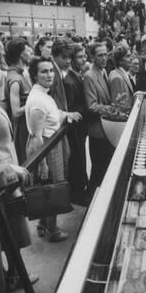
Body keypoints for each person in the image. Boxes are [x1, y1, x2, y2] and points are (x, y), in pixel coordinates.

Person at [0, 103, 38, 293]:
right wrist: (9, 171)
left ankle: (11, 275)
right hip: (1, 185)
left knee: (12, 234)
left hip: (7, 180)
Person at [25, 57, 82, 242]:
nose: (49, 75)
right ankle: (52, 230)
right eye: (43, 71)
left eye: (51, 71)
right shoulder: (38, 100)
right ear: (34, 75)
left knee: (46, 188)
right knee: (53, 189)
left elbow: (53, 114)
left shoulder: (43, 95)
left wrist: (67, 114)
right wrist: (42, 164)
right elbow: (36, 136)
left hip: (50, 146)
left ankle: (43, 224)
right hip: (46, 148)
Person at [83, 43, 115, 193]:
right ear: (92, 57)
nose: (104, 58)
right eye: (100, 55)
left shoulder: (104, 72)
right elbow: (91, 105)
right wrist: (113, 109)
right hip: (97, 130)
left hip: (106, 127)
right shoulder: (90, 76)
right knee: (98, 167)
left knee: (104, 166)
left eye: (105, 54)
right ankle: (91, 196)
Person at [63, 44, 89, 205]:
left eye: (85, 56)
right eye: (80, 57)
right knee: (77, 160)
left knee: (81, 159)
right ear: (72, 60)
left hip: (80, 127)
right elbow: (71, 108)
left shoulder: (77, 76)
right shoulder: (69, 81)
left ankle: (80, 191)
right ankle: (77, 195)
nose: (84, 59)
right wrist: (88, 108)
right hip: (74, 129)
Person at [4, 38, 33, 164]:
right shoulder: (15, 79)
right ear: (21, 54)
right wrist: (33, 103)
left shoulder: (19, 75)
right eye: (29, 52)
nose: (32, 53)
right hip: (23, 131)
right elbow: (15, 112)